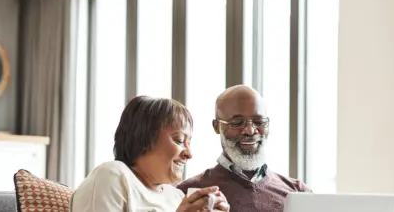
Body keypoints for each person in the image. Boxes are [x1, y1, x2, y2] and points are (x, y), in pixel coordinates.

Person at [70, 96, 230, 212]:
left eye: (190, 143)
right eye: (179, 140)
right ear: (144, 139)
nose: (189, 153)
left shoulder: (175, 196)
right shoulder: (114, 176)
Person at [176, 85, 312, 212]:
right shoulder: (189, 195)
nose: (250, 130)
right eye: (237, 123)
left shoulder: (298, 192)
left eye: (259, 122)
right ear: (217, 126)